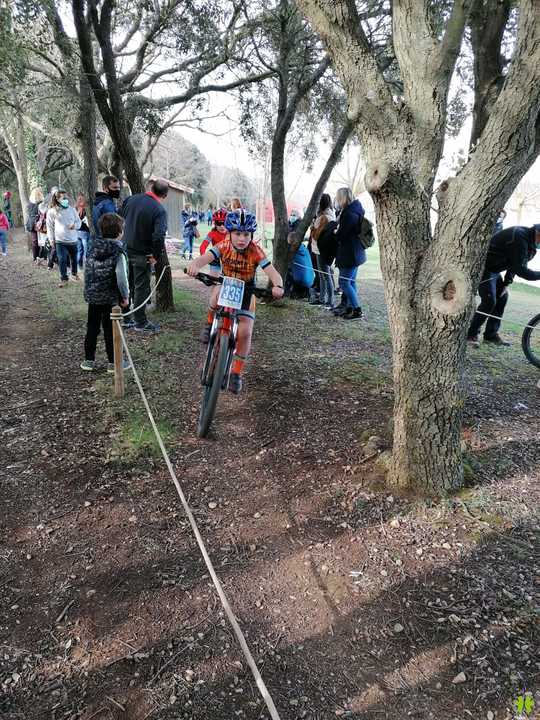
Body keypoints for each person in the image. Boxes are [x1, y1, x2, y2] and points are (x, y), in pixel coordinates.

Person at [187, 209, 284, 394]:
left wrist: (278, 285)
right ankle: (209, 324)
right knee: (215, 296)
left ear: (251, 235)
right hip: (226, 283)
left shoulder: (255, 251)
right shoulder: (223, 245)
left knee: (245, 332)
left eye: (246, 234)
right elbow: (205, 258)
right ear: (230, 233)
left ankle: (236, 373)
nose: (242, 238)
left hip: (247, 290)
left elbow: (273, 272)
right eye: (238, 233)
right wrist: (195, 265)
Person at [467, 223, 540, 347]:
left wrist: (506, 284)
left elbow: (514, 265)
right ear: (538, 233)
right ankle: (470, 334)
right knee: (489, 300)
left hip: (495, 270)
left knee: (502, 297)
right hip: (483, 267)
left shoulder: (531, 245)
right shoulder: (519, 236)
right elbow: (521, 270)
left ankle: (490, 335)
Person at [81, 213, 131, 373]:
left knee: (92, 327)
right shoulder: (118, 251)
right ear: (119, 231)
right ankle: (114, 363)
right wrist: (125, 296)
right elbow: (121, 277)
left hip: (93, 295)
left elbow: (87, 270)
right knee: (111, 330)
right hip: (111, 298)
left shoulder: (92, 247)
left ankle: (88, 360)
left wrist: (89, 289)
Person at [121, 177, 168, 332]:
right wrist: (155, 255)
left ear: (151, 187)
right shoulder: (159, 210)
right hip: (142, 254)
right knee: (140, 287)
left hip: (125, 249)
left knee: (126, 284)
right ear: (164, 195)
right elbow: (159, 236)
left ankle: (126, 318)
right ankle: (140, 321)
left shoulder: (131, 200)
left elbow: (120, 218)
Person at [332, 187, 366, 321]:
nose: (337, 201)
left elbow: (342, 235)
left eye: (338, 198)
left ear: (343, 198)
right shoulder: (356, 210)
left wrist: (336, 232)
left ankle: (357, 310)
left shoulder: (349, 214)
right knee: (350, 282)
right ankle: (351, 307)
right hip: (356, 252)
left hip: (350, 254)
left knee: (344, 282)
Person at [46, 189, 82, 286]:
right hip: (60, 241)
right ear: (57, 199)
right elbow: (49, 227)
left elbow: (79, 222)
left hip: (73, 239)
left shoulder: (72, 210)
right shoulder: (52, 212)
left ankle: (74, 274)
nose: (66, 199)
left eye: (66, 197)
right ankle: (64, 278)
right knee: (62, 259)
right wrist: (51, 239)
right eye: (63, 198)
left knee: (74, 259)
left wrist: (75, 226)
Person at [309, 193, 336, 308]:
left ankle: (329, 300)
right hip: (323, 249)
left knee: (325, 275)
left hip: (321, 249)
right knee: (323, 275)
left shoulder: (324, 217)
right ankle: (322, 298)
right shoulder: (330, 215)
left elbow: (316, 235)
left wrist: (312, 228)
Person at [285, 233, 315, 298]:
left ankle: (288, 293)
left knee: (287, 272)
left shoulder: (293, 253)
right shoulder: (304, 249)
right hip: (311, 280)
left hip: (302, 282)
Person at [199, 208, 227, 276]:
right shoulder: (212, 233)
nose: (222, 226)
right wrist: (204, 257)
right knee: (214, 277)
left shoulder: (231, 233)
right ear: (215, 224)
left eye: (224, 223)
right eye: (219, 223)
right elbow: (203, 246)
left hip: (228, 258)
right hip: (216, 258)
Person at [93, 175, 121, 243]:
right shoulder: (107, 204)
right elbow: (112, 228)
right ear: (105, 188)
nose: (117, 190)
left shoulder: (98, 201)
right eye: (114, 187)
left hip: (101, 241)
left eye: (118, 187)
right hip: (109, 242)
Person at [26, 188, 43, 264]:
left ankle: (38, 257)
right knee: (36, 241)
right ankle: (36, 257)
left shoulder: (40, 202)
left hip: (38, 222)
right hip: (35, 222)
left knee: (37, 241)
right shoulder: (31, 203)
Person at [76, 194, 90, 268]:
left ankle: (79, 266)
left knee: (79, 250)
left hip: (77, 232)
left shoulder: (76, 209)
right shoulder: (85, 210)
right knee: (86, 250)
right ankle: (86, 266)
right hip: (84, 232)